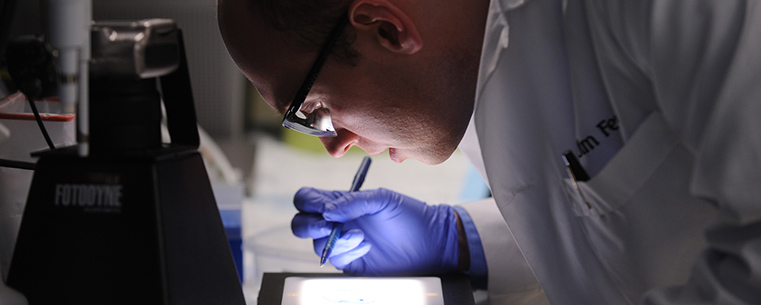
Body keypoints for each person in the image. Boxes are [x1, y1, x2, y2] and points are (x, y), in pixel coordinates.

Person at [217, 0, 761, 304]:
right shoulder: (462, 68)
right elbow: (597, 204)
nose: (336, 147)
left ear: (386, 28)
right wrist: (458, 240)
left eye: (314, 109)